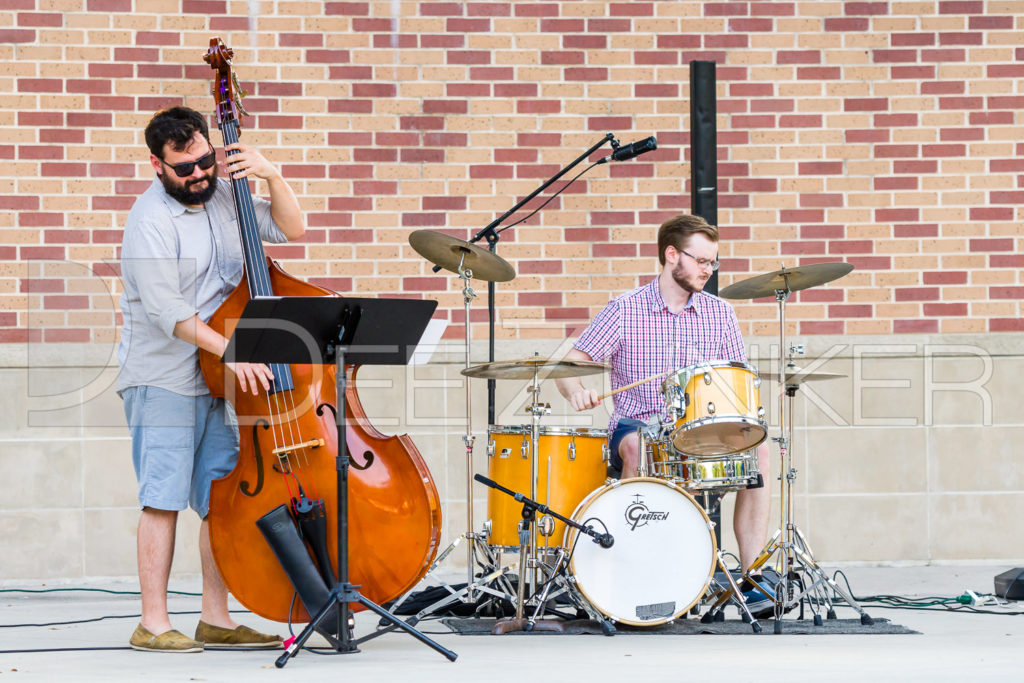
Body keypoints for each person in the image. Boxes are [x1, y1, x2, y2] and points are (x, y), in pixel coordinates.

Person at [117, 106, 304, 652]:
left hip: (219, 373)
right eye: (184, 170)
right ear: (157, 165)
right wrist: (235, 352)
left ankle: (214, 618)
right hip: (166, 375)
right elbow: (166, 311)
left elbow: (292, 229)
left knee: (221, 497)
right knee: (163, 497)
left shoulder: (225, 195)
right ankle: (152, 623)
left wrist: (271, 174)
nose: (199, 175)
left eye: (205, 161)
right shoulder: (148, 220)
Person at [554, 214, 774, 613]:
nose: (709, 270)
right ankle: (633, 571)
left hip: (699, 428)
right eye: (701, 261)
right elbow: (568, 365)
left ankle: (751, 578)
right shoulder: (624, 309)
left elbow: (736, 383)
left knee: (759, 451)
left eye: (713, 262)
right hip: (636, 425)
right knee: (640, 448)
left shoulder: (720, 313)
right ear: (672, 255)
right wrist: (578, 392)